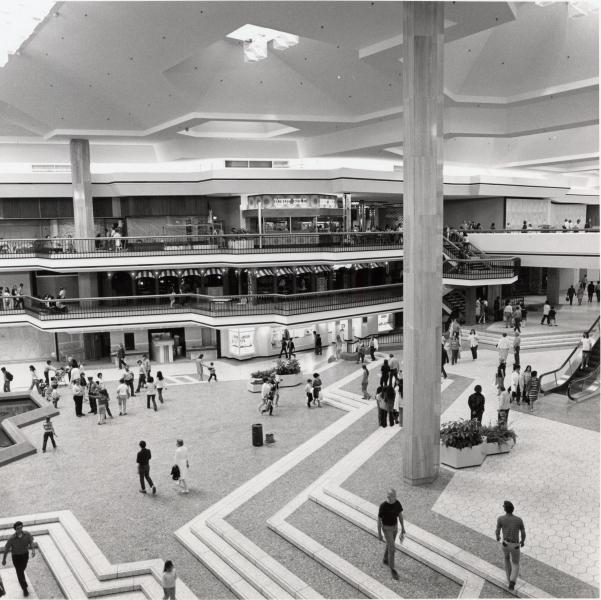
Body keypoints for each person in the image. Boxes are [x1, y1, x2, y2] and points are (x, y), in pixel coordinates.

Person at [495, 500, 526, 591]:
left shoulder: (500, 518)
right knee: (515, 563)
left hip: (505, 544)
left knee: (506, 559)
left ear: (505, 509)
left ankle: (509, 579)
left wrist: (498, 537)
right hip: (515, 545)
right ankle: (512, 581)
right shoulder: (519, 520)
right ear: (512, 509)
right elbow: (523, 532)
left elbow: (497, 530)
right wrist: (522, 541)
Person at [377, 489, 405, 581]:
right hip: (386, 528)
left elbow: (400, 515)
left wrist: (403, 528)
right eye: (393, 496)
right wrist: (379, 534)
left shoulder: (397, 503)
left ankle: (385, 559)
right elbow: (379, 520)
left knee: (389, 545)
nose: (395, 498)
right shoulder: (383, 506)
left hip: (395, 528)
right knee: (392, 548)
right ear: (388, 497)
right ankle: (392, 569)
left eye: (395, 496)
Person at [1, 521, 35, 596]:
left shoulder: (27, 534)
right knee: (19, 572)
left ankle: (22, 580)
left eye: (20, 527)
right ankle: (24, 588)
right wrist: (4, 559)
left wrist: (33, 550)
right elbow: (6, 549)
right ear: (15, 529)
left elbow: (31, 542)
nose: (19, 529)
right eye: (17, 528)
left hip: (25, 555)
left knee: (22, 569)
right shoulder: (11, 539)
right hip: (16, 557)